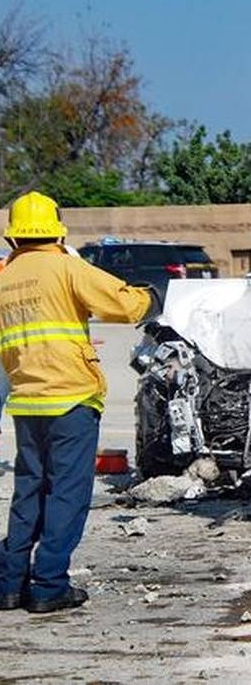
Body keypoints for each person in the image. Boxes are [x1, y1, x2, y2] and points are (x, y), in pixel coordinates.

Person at [0, 191, 156, 614]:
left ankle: (10, 584)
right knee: (67, 493)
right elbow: (124, 305)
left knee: (29, 490)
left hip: (27, 400)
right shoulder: (66, 266)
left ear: (13, 236)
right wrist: (151, 297)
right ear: (56, 231)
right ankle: (49, 585)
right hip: (70, 397)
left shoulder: (5, 275)